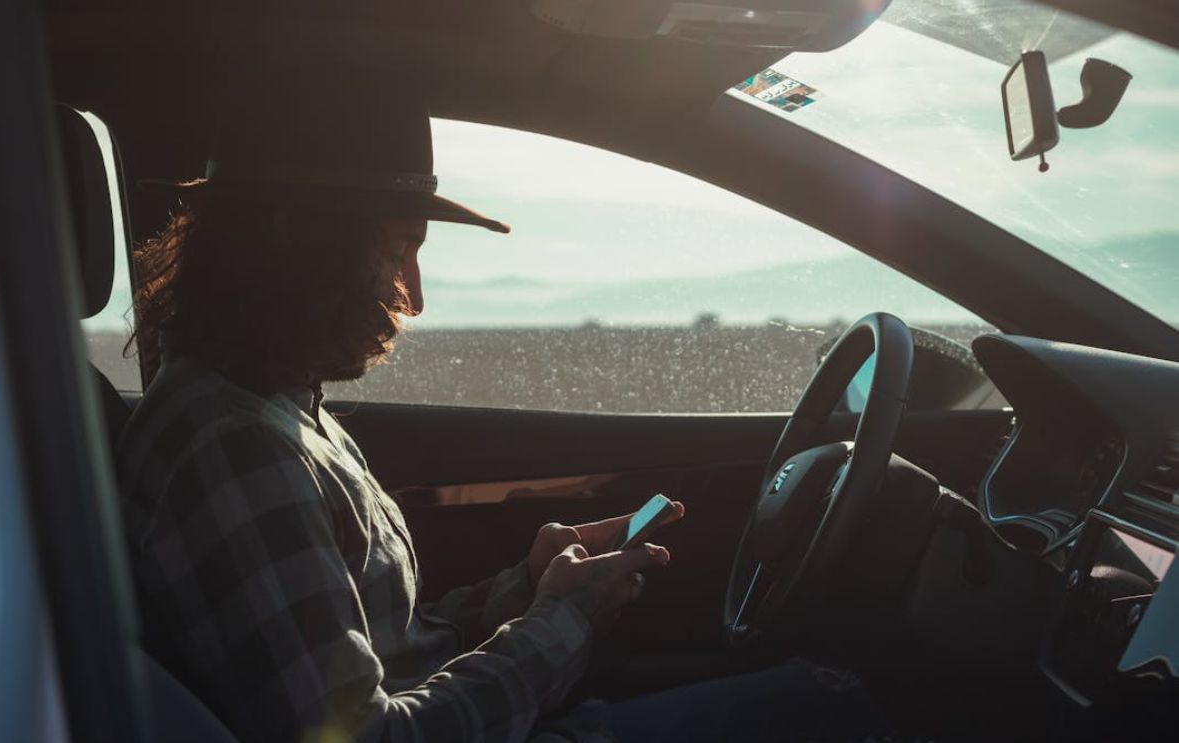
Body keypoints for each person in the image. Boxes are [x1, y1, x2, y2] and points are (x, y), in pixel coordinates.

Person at [119, 77, 890, 743]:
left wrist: (523, 590)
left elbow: (391, 655)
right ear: (292, 240)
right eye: (395, 251)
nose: (412, 296)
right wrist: (564, 623)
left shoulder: (275, 407)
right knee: (832, 699)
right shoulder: (235, 451)